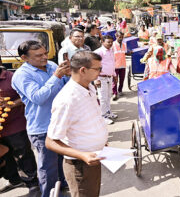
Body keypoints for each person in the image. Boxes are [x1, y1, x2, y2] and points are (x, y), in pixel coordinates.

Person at [11, 40, 70, 197]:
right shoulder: (21, 76)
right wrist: (56, 76)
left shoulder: (50, 65)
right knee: (47, 167)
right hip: (42, 127)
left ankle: (62, 186)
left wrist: (69, 75)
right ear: (24, 58)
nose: (45, 57)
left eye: (45, 53)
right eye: (39, 56)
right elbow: (38, 98)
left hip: (61, 122)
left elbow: (66, 87)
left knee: (61, 161)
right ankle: (48, 193)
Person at [46, 51, 108, 197]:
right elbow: (50, 142)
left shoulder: (89, 87)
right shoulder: (67, 99)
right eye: (98, 69)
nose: (100, 72)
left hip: (93, 158)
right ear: (83, 70)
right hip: (80, 165)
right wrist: (82, 155)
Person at [0, 62, 39, 195]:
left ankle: (32, 183)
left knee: (22, 153)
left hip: (15, 124)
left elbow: (27, 96)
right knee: (5, 155)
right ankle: (14, 179)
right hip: (0, 127)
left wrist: (12, 104)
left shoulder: (12, 77)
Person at [94, 35, 118, 124]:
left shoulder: (111, 50)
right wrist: (95, 79)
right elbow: (94, 66)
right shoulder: (98, 52)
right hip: (101, 78)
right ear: (102, 42)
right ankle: (102, 116)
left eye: (111, 42)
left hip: (109, 77)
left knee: (108, 96)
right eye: (108, 42)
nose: (110, 44)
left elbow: (112, 63)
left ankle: (108, 112)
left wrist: (114, 75)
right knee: (102, 98)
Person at [112, 31, 127, 101]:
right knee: (115, 80)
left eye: (122, 37)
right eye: (119, 37)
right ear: (116, 37)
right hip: (115, 66)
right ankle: (115, 93)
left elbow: (124, 53)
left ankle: (120, 90)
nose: (121, 38)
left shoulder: (124, 44)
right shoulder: (113, 45)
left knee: (122, 79)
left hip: (123, 65)